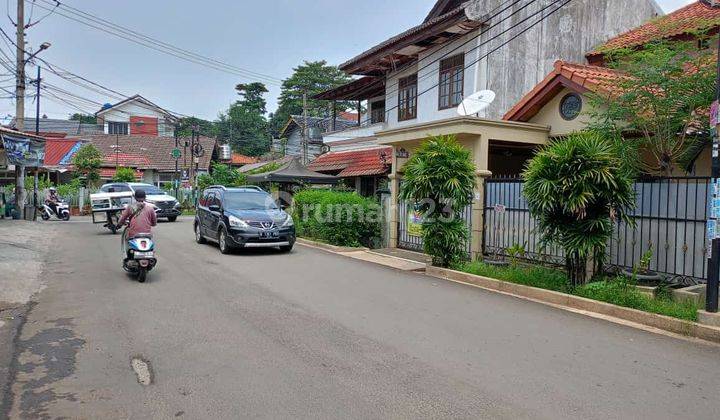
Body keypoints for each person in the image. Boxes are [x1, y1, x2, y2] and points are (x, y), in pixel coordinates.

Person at [118, 189, 157, 255]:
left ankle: (128, 256)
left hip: (133, 235)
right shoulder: (150, 208)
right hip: (147, 235)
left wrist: (119, 224)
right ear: (145, 198)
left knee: (128, 243)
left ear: (135, 197)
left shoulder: (130, 207)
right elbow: (154, 223)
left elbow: (122, 219)